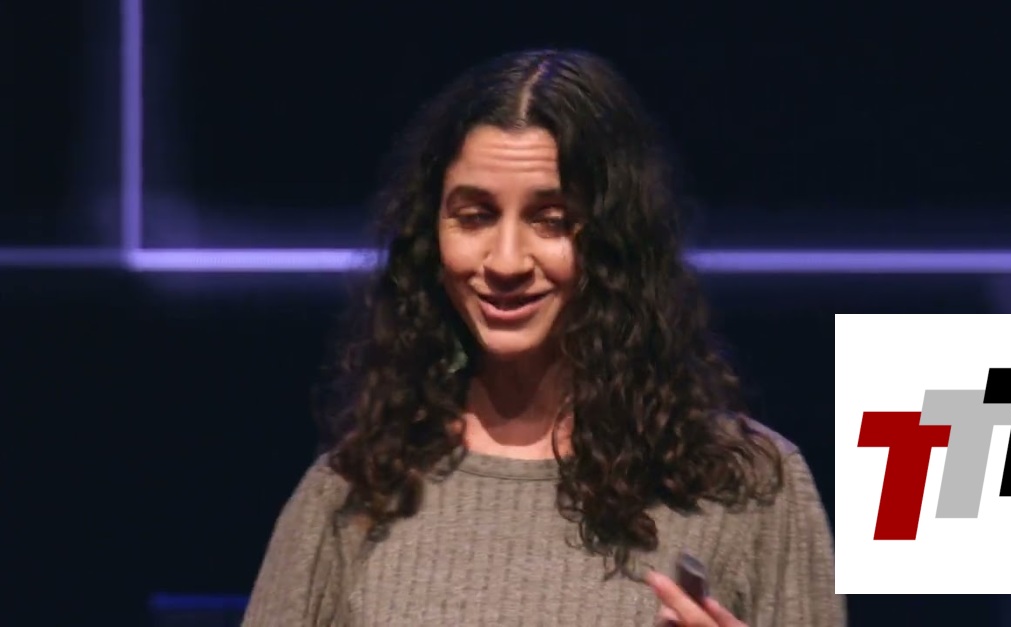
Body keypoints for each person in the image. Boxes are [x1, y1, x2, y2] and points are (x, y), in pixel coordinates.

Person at [242, 48, 844, 627]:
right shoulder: (351, 494)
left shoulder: (747, 489)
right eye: (475, 216)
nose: (506, 260)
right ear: (432, 237)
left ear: (616, 244)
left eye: (551, 221)